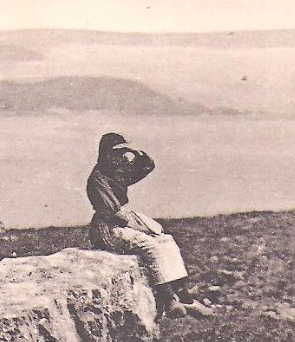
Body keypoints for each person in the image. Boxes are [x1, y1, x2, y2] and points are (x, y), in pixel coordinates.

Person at [86, 133, 212, 319]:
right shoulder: (98, 178)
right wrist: (139, 226)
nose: (122, 157)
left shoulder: (116, 173)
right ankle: (169, 300)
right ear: (107, 155)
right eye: (118, 153)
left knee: (165, 240)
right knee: (149, 245)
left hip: (123, 220)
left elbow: (146, 167)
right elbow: (113, 213)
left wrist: (136, 153)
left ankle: (185, 298)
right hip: (108, 228)